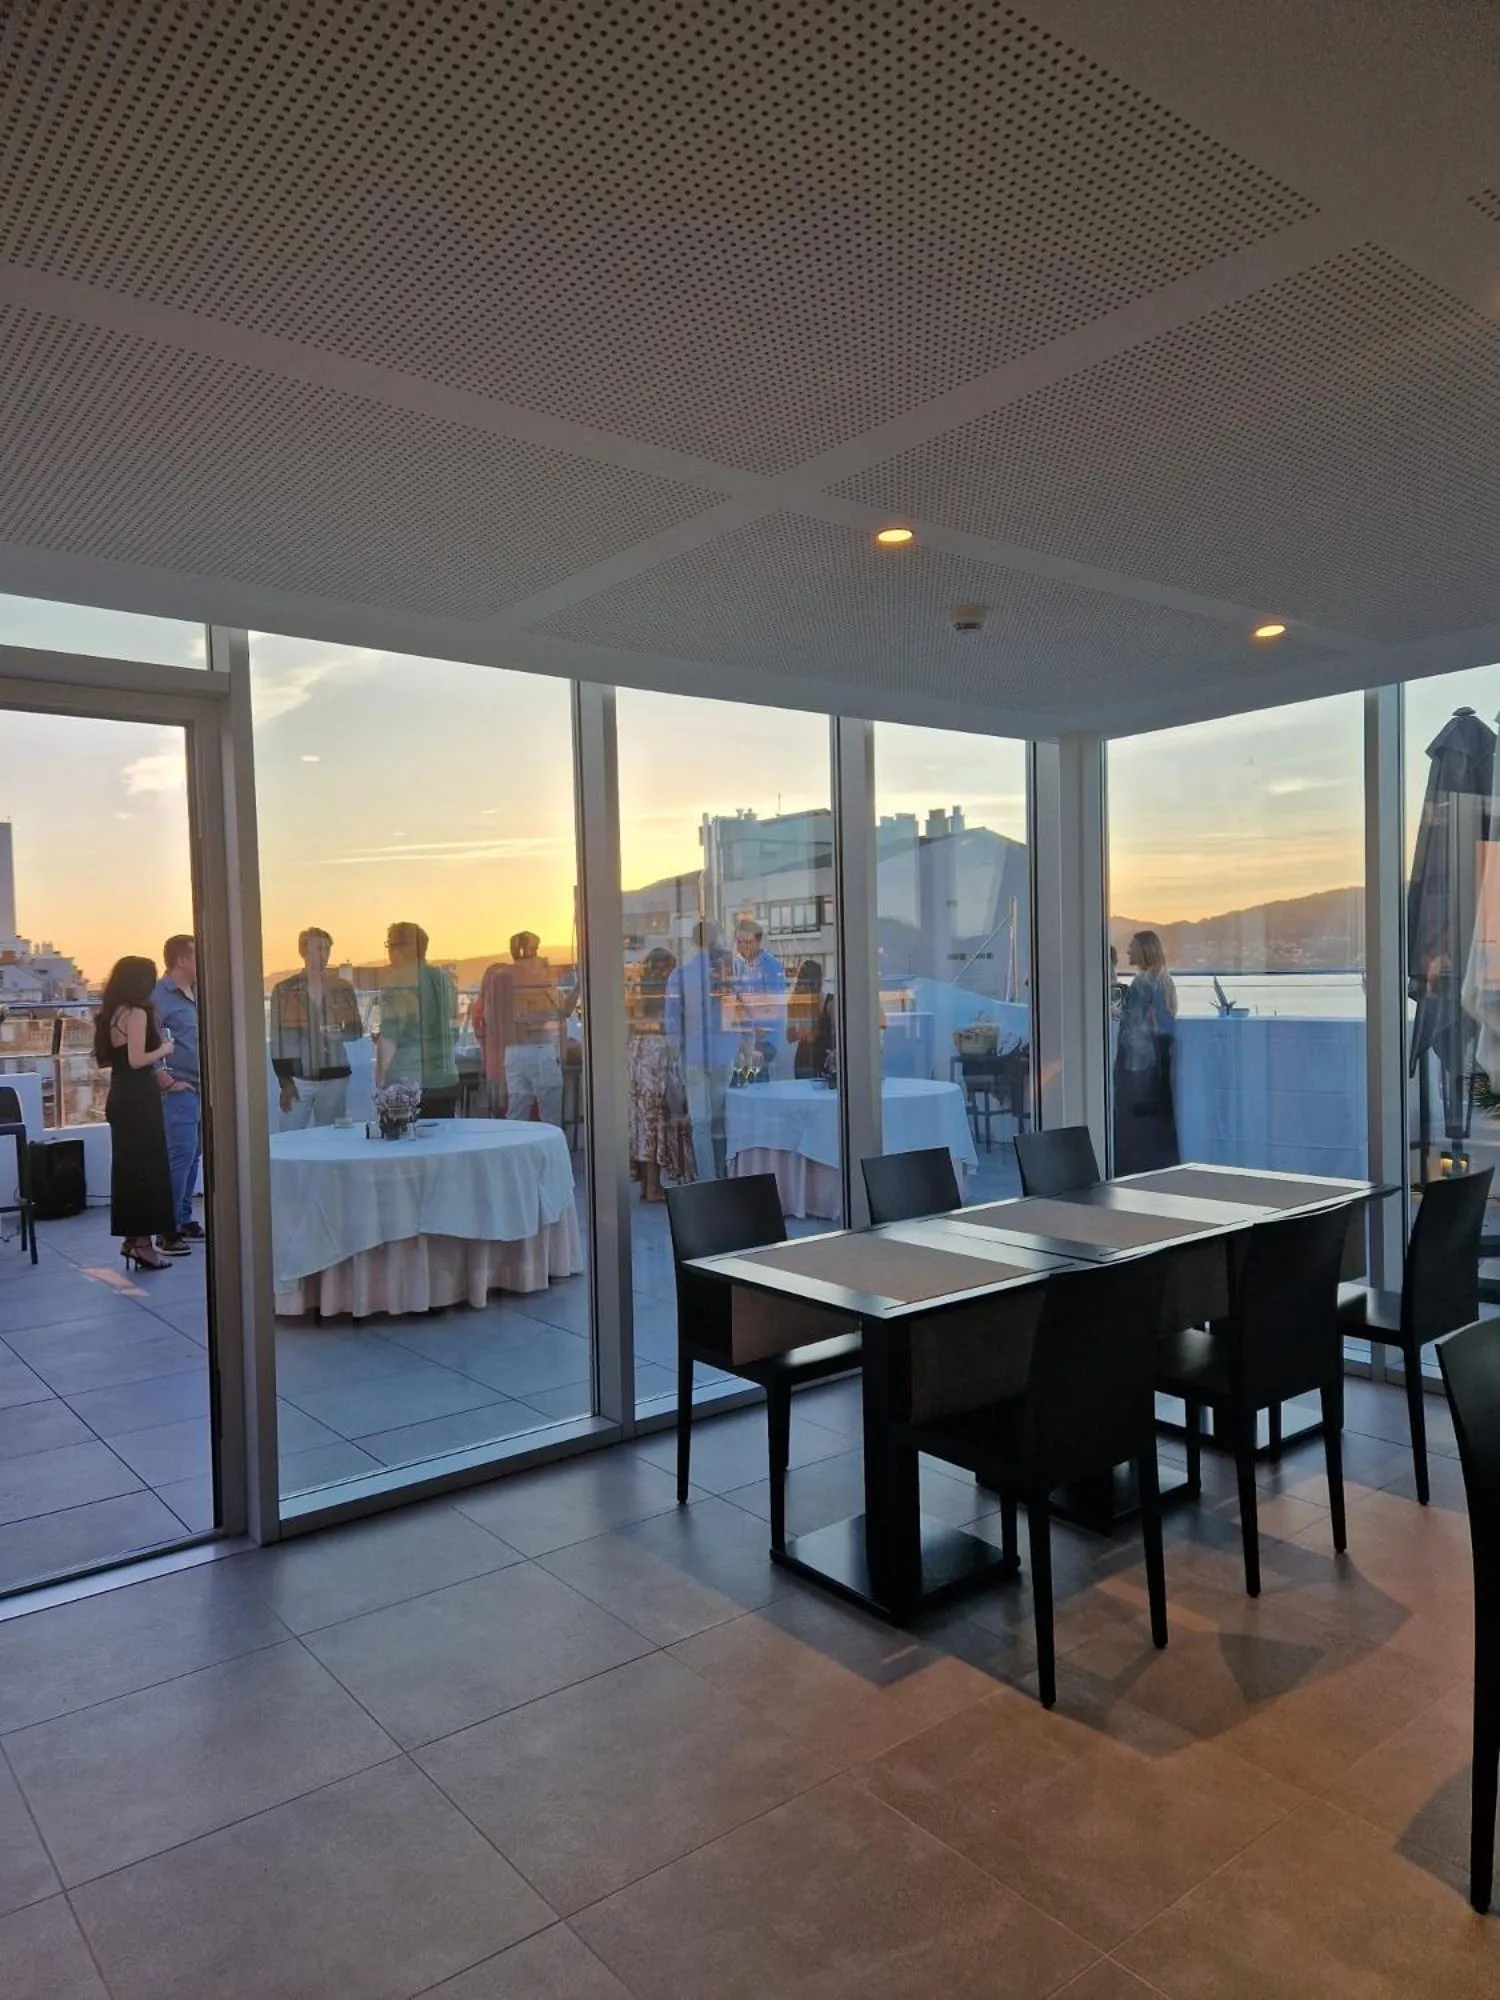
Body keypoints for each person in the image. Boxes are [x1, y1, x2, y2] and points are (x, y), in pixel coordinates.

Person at [95, 956, 176, 1271]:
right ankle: (143, 1245)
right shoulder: (138, 1014)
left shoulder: (113, 1013)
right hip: (140, 1096)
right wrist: (165, 1049)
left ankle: (132, 1238)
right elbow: (138, 1059)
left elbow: (113, 1060)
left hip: (121, 1094)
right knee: (148, 1170)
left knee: (129, 1170)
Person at [471, 930, 572, 1125]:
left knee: (517, 1114)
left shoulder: (498, 978)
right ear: (532, 949)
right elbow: (561, 1010)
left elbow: (491, 1017)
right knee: (551, 1117)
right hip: (539, 1050)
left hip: (513, 1053)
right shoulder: (536, 976)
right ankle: (550, 1155)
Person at [665, 920, 740, 1179]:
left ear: (694, 942)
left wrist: (675, 1056)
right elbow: (742, 1009)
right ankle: (723, 1173)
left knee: (700, 1123)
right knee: (720, 1120)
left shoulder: (681, 975)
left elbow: (673, 1021)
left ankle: (708, 1180)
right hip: (724, 1053)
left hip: (694, 1055)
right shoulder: (731, 970)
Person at [269, 927, 364, 1129]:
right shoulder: (285, 989)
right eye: (318, 949)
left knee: (332, 1137)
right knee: (289, 1135)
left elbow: (356, 1030)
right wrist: (284, 1081)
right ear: (303, 951)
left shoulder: (342, 987)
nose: (324, 955)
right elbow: (278, 1039)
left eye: (327, 949)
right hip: (298, 1078)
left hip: (335, 1075)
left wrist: (339, 1033)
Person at [627, 946, 696, 1200]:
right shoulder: (667, 988)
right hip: (657, 1052)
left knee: (641, 1122)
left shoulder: (639, 987)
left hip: (636, 1052)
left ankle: (647, 1185)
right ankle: (654, 1186)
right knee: (658, 1120)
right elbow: (673, 1022)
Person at [1114, 928, 1179, 1174]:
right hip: (1155, 1063)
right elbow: (1167, 1021)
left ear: (1144, 949)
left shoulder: (1142, 983)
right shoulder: (1165, 980)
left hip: (1136, 1063)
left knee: (1131, 1124)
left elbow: (1131, 1024)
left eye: (1132, 946)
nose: (1128, 950)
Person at [377, 921, 458, 1116]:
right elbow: (452, 1024)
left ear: (399, 948)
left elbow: (390, 1037)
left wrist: (380, 1076)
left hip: (408, 1081)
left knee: (405, 1140)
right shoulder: (443, 979)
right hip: (445, 1076)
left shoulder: (397, 980)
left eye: (390, 945)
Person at [152, 934, 201, 1254]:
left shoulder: (199, 992)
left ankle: (183, 1219)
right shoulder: (158, 996)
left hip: (201, 1086)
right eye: (198, 954)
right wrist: (165, 1081)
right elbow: (148, 1040)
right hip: (179, 1087)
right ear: (182, 959)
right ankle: (166, 1229)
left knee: (194, 1154)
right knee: (180, 1156)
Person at [732, 914, 788, 1075]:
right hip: (745, 1038)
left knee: (755, 1083)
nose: (743, 947)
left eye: (748, 942)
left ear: (758, 942)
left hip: (764, 1040)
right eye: (739, 942)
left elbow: (773, 1006)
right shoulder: (738, 965)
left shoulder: (771, 967)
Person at [787, 958, 834, 1080]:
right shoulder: (828, 1002)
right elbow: (837, 1033)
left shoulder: (796, 1002)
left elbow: (790, 1036)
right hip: (820, 1057)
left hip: (807, 1056)